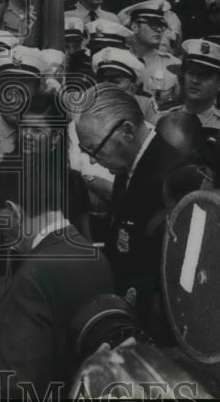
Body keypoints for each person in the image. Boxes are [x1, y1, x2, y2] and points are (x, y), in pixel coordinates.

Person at [0, 150, 112, 400]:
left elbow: (18, 389)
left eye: (1, 221)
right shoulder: (96, 259)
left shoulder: (33, 277)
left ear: (14, 211)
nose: (5, 236)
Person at [74, 85, 183, 339]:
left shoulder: (171, 178)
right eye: (85, 151)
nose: (91, 160)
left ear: (127, 131)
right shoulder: (129, 167)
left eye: (95, 149)